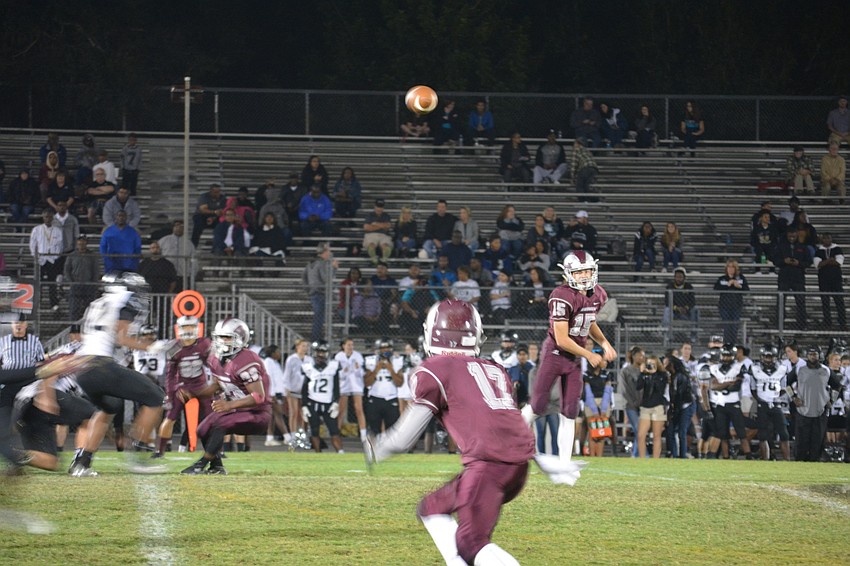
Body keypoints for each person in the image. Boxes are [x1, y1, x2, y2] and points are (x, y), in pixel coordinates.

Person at [363, 300, 586, 566]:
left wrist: (375, 447)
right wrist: (538, 457)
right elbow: (503, 423)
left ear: (433, 332)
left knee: (471, 544)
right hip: (516, 466)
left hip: (488, 466)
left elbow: (403, 440)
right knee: (432, 508)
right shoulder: (495, 369)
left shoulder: (435, 370)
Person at [66, 273, 168, 476]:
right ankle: (138, 456)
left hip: (83, 368)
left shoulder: (98, 303)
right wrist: (150, 346)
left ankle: (81, 463)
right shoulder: (124, 301)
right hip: (100, 365)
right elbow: (121, 338)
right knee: (156, 397)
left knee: (109, 407)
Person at [526, 250, 616, 461]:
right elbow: (562, 338)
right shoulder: (561, 295)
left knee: (570, 411)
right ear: (568, 274)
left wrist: (604, 343)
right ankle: (503, 444)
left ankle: (565, 462)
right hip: (555, 354)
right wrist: (589, 355)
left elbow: (588, 321)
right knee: (538, 405)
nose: (584, 275)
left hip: (574, 358)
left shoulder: (598, 294)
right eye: (579, 272)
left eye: (587, 270)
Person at [180, 318, 272, 475]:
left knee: (220, 423)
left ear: (240, 338)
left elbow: (258, 397)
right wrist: (194, 394)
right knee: (202, 429)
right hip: (236, 410)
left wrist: (229, 405)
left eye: (227, 337)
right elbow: (216, 385)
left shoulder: (246, 360)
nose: (222, 341)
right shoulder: (215, 358)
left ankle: (201, 464)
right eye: (220, 337)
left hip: (257, 413)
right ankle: (217, 466)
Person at [154, 316, 212, 457]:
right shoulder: (174, 347)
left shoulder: (204, 344)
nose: (188, 330)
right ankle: (160, 451)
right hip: (183, 388)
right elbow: (170, 375)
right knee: (170, 417)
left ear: (197, 328)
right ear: (179, 329)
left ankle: (216, 449)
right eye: (185, 327)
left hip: (201, 386)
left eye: (191, 326)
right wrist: (170, 394)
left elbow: (213, 366)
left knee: (212, 417)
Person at [786, 345, 843, 462]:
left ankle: (815, 460)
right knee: (801, 440)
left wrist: (832, 400)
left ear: (819, 355)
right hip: (803, 410)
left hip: (820, 410)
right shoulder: (799, 369)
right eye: (810, 354)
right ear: (807, 355)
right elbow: (787, 383)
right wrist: (793, 397)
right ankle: (800, 462)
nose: (812, 356)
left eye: (815, 354)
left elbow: (837, 385)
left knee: (817, 440)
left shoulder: (826, 370)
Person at [707, 344, 754, 460]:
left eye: (728, 355)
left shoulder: (739, 367)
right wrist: (728, 383)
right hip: (720, 404)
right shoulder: (714, 368)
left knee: (741, 432)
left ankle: (748, 456)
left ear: (733, 356)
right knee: (723, 434)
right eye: (724, 355)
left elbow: (736, 387)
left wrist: (721, 385)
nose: (726, 358)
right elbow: (713, 386)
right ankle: (726, 457)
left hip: (734, 404)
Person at [747, 345, 790, 461]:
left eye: (770, 357)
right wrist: (761, 401)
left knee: (784, 433)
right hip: (762, 405)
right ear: (761, 357)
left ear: (775, 357)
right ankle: (765, 459)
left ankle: (787, 460)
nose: (768, 359)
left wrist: (775, 397)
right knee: (763, 434)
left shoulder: (782, 368)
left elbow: (784, 387)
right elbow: (753, 389)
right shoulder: (755, 368)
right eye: (766, 357)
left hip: (776, 404)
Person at [299, 341, 343, 453]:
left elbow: (336, 386)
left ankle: (341, 453)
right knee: (314, 430)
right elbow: (304, 388)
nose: (321, 355)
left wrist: (336, 402)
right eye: (319, 352)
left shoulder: (333, 366)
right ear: (314, 353)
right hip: (312, 402)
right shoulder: (308, 367)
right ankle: (318, 454)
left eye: (323, 352)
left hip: (328, 403)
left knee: (334, 431)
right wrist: (304, 405)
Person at [363, 338, 403, 436]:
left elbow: (399, 383)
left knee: (392, 431)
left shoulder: (397, 361)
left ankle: (390, 450)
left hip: (391, 398)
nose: (385, 350)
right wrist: (377, 369)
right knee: (374, 430)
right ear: (378, 349)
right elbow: (367, 383)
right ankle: (375, 451)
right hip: (375, 398)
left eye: (388, 348)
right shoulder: (370, 361)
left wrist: (391, 369)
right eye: (383, 348)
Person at [774, 229, 811, 330]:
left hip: (798, 278)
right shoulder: (781, 246)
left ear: (796, 236)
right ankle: (779, 323)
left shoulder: (802, 247)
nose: (791, 238)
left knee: (801, 301)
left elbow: (808, 262)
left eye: (793, 236)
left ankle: (801, 324)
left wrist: (799, 263)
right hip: (784, 277)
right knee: (781, 301)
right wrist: (784, 261)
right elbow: (775, 260)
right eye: (789, 236)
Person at [29, 209, 64, 312]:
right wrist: (36, 257)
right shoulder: (37, 229)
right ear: (43, 217)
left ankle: (54, 304)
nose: (47, 219)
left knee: (52, 283)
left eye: (49, 217)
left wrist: (55, 256)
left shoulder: (57, 230)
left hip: (52, 260)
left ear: (52, 218)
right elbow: (32, 244)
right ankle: (36, 303)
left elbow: (60, 245)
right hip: (40, 260)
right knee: (38, 282)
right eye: (45, 217)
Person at [302, 243, 338, 341]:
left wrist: (308, 290)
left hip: (313, 293)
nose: (330, 253)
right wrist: (334, 268)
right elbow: (326, 278)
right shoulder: (322, 263)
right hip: (321, 293)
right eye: (328, 251)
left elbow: (304, 277)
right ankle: (316, 338)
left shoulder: (310, 263)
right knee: (319, 317)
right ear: (325, 252)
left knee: (318, 317)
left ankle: (317, 337)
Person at [635, 354, 668, 459]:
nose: (651, 366)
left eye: (653, 364)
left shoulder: (663, 375)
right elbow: (638, 387)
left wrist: (653, 375)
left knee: (656, 436)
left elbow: (660, 390)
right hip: (645, 407)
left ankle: (655, 460)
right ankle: (642, 459)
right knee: (641, 435)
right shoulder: (644, 375)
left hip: (657, 407)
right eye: (649, 364)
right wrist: (641, 373)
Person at [334, 338, 367, 442]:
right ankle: (336, 433)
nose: (350, 347)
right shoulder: (338, 356)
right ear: (343, 346)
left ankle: (363, 434)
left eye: (352, 345)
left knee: (359, 409)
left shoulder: (358, 356)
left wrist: (357, 369)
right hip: (343, 385)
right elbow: (337, 374)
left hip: (356, 385)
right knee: (341, 410)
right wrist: (344, 371)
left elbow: (361, 374)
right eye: (348, 345)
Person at [665, 354, 697, 459]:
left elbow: (681, 395)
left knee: (682, 431)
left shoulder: (681, 377)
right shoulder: (672, 376)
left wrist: (674, 410)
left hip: (686, 406)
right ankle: (675, 454)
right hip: (678, 407)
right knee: (673, 431)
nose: (663, 365)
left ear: (671, 364)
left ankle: (682, 455)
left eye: (666, 363)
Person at [283, 339, 312, 449]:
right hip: (294, 389)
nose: (305, 348)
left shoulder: (309, 360)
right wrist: (287, 388)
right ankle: (293, 436)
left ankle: (303, 436)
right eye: (303, 346)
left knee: (304, 414)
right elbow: (287, 374)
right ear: (297, 347)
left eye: (306, 346)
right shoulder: (291, 359)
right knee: (293, 412)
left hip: (306, 391)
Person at [814, 233, 846, 330]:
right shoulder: (819, 251)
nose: (827, 240)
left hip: (836, 279)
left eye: (828, 238)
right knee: (825, 302)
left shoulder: (837, 249)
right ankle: (827, 323)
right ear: (822, 239)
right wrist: (829, 260)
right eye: (825, 238)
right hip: (824, 280)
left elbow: (838, 262)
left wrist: (825, 262)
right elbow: (818, 264)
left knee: (839, 302)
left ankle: (842, 323)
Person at [63, 235, 99, 321]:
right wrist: (71, 282)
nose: (81, 243)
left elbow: (95, 270)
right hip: (76, 285)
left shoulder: (92, 256)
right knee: (74, 309)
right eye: (80, 241)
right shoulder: (72, 255)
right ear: (77, 243)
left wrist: (94, 284)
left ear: (86, 243)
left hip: (88, 285)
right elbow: (67, 270)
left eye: (83, 241)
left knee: (89, 309)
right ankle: (73, 327)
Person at [713, 260, 749, 344]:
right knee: (727, 325)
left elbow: (746, 290)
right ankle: (726, 343)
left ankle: (733, 343)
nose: (730, 269)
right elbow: (716, 288)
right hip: (724, 306)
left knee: (735, 325)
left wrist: (738, 286)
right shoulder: (722, 278)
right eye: (729, 267)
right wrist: (727, 285)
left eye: (732, 267)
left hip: (736, 306)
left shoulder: (741, 278)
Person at [582, 361, 613, 457]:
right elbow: (587, 391)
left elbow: (608, 390)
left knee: (602, 431)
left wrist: (603, 409)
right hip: (590, 402)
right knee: (592, 431)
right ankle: (592, 456)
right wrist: (594, 410)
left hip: (603, 401)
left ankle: (599, 457)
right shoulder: (586, 374)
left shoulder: (606, 374)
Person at [261, 345, 289, 447]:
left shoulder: (274, 363)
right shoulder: (268, 362)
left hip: (276, 393)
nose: (279, 353)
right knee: (278, 414)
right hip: (272, 393)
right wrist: (272, 394)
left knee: (273, 416)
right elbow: (269, 379)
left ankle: (269, 438)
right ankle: (287, 438)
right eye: (278, 351)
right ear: (272, 353)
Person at [619, 346, 644, 457]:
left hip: (644, 405)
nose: (642, 358)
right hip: (630, 405)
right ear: (633, 356)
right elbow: (624, 389)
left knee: (641, 431)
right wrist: (632, 401)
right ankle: (640, 454)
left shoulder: (645, 370)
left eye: (643, 355)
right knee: (639, 429)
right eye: (639, 355)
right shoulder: (626, 371)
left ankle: (636, 454)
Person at [158, 220, 196, 288]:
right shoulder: (164, 240)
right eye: (176, 226)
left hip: (183, 276)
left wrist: (192, 273)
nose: (178, 228)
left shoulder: (189, 243)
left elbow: (193, 261)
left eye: (181, 227)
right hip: (167, 275)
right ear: (173, 227)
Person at [363, 198, 393, 264]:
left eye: (381, 207)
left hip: (383, 235)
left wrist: (375, 224)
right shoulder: (369, 215)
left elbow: (388, 226)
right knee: (371, 245)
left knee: (385, 245)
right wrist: (382, 225)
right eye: (378, 207)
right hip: (371, 235)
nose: (379, 209)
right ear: (375, 206)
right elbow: (366, 227)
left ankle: (385, 258)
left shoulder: (386, 215)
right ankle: (373, 258)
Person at [570, 138, 599, 202]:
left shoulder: (576, 150)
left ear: (578, 144)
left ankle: (582, 200)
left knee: (579, 186)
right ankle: (595, 200)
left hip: (585, 168)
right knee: (588, 186)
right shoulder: (587, 150)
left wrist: (572, 177)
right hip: (594, 168)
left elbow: (574, 164)